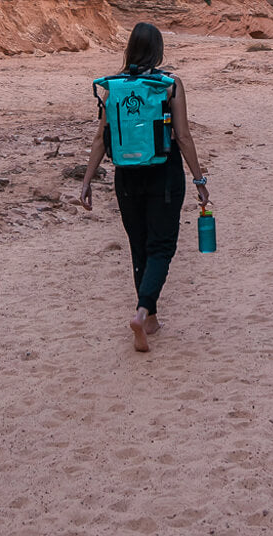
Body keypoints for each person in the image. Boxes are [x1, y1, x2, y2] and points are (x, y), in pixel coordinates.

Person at [80, 23, 210, 352]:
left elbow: (99, 139)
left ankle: (150, 318)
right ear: (159, 50)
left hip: (125, 176)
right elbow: (182, 136)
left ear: (130, 49)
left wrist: (87, 181)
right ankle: (141, 312)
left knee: (139, 246)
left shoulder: (114, 88)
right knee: (161, 247)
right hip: (164, 175)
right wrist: (199, 180)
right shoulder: (168, 85)